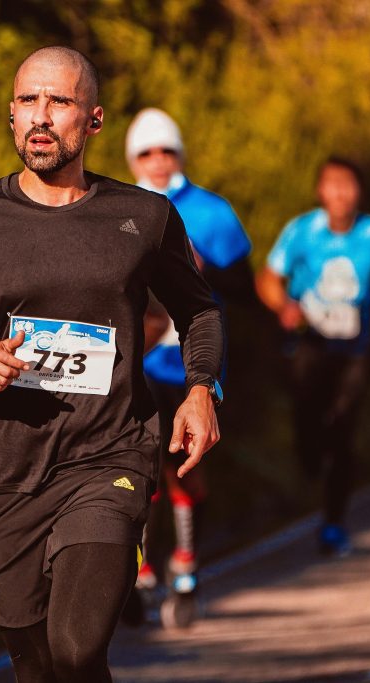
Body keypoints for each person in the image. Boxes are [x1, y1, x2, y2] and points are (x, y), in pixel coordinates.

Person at [0, 46, 224, 682]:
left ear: (92, 121)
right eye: (28, 101)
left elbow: (200, 311)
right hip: (4, 473)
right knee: (42, 669)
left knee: (76, 647)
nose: (41, 116)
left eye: (59, 101)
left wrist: (200, 390)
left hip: (110, 457)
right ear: (11, 116)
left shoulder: (143, 217)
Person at [123, 108, 251, 624]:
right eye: (147, 153)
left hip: (192, 365)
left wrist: (202, 267)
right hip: (138, 364)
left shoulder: (214, 212)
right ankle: (140, 571)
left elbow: (243, 288)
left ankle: (186, 560)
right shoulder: (115, 209)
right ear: (133, 158)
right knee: (138, 467)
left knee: (184, 472)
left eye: (166, 151)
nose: (157, 161)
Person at [255, 157, 370, 556]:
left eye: (348, 185)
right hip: (309, 343)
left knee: (342, 428)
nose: (340, 193)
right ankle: (308, 460)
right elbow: (268, 278)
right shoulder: (302, 231)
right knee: (308, 423)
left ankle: (334, 523)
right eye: (332, 185)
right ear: (321, 190)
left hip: (354, 348)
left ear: (359, 190)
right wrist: (283, 305)